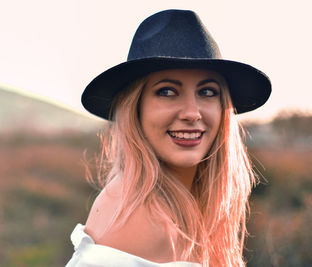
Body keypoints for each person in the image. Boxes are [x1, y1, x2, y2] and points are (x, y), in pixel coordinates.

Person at [66, 9, 271, 267]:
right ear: (136, 108)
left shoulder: (184, 208)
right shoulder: (137, 216)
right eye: (167, 91)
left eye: (207, 91)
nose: (192, 113)